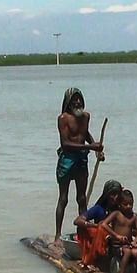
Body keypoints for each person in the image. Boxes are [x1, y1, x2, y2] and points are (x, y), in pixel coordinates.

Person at [55, 87, 103, 245]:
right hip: (67, 160)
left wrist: (96, 149)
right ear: (68, 103)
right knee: (63, 198)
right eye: (74, 100)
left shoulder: (86, 117)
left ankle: (83, 233)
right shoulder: (63, 118)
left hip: (81, 160)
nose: (77, 102)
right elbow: (66, 143)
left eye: (79, 99)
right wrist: (90, 148)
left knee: (82, 198)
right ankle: (57, 235)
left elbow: (85, 133)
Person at [100, 189, 137, 273]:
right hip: (116, 245)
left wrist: (134, 242)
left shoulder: (134, 216)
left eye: (131, 204)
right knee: (127, 252)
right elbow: (104, 224)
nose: (129, 207)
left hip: (128, 244)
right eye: (125, 204)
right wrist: (116, 236)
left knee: (136, 252)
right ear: (119, 204)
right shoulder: (116, 214)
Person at [73, 180, 122, 267]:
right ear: (107, 195)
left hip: (117, 237)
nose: (115, 197)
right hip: (103, 239)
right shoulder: (99, 209)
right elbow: (77, 221)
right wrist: (96, 226)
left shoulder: (121, 208)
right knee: (86, 229)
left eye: (118, 194)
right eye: (113, 194)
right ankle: (93, 257)